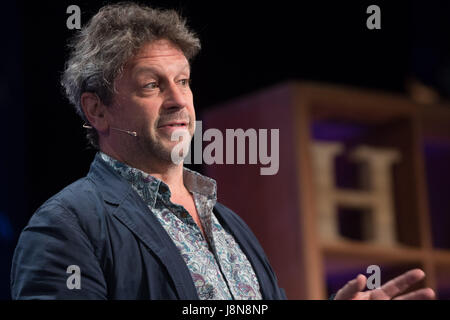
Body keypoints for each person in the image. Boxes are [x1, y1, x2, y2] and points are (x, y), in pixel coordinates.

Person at [10, 3, 435, 300]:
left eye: (184, 80)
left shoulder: (228, 223)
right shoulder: (66, 227)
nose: (180, 101)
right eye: (152, 85)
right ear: (96, 109)